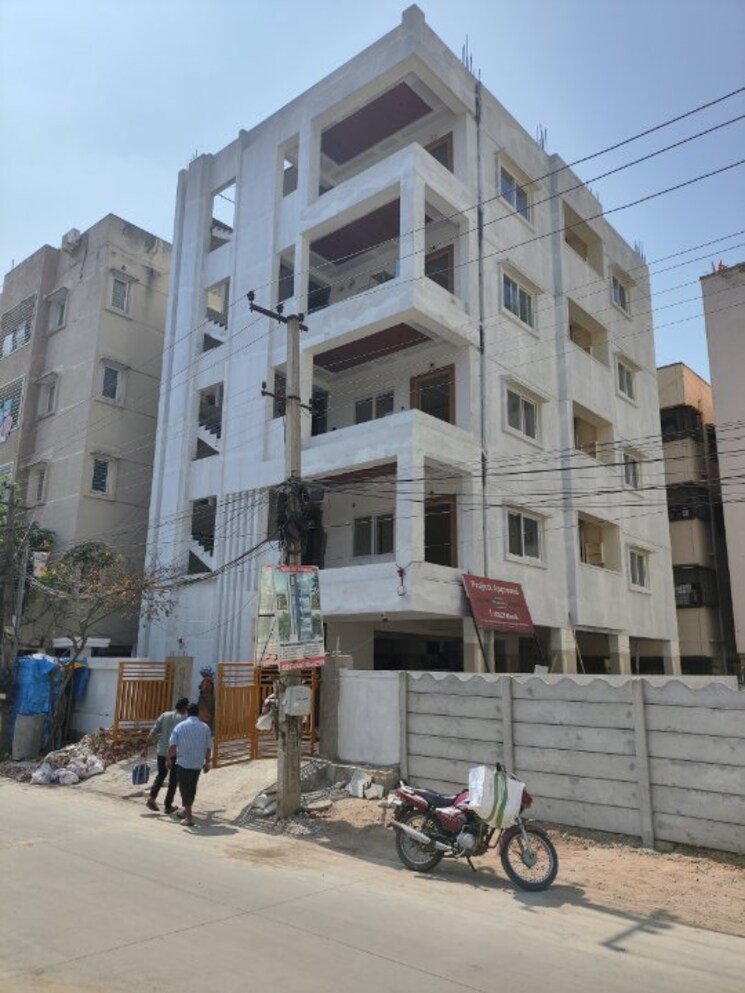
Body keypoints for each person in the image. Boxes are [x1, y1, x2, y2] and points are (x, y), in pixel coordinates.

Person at [166, 703, 212, 827]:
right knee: (192, 787)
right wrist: (207, 762)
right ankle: (186, 811)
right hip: (197, 763)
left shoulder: (180, 726)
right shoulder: (205, 727)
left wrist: (168, 759)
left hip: (183, 763)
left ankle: (189, 818)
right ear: (198, 713)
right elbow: (208, 747)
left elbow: (172, 745)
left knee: (185, 789)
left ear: (187, 712)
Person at [143, 697, 189, 813]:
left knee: (161, 775)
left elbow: (153, 731)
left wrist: (145, 748)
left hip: (162, 751)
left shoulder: (165, 715)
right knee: (173, 779)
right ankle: (168, 806)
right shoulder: (185, 719)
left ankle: (152, 798)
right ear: (185, 708)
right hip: (175, 753)